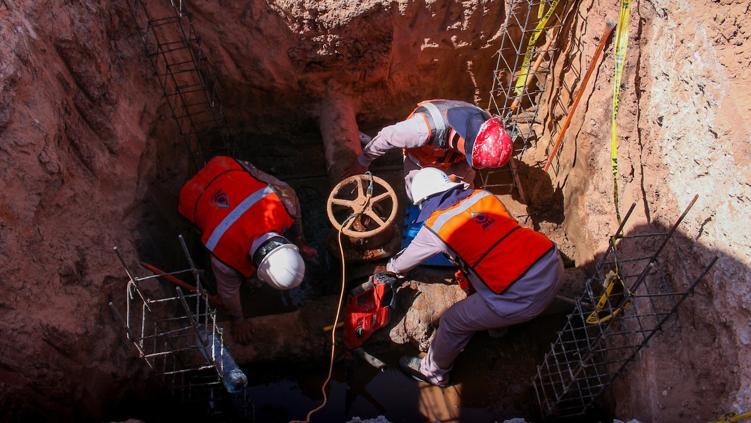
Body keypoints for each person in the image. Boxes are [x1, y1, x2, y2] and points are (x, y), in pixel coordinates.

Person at [380, 167, 563, 386]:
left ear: (425, 201)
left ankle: (433, 372)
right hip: (552, 263)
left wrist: (389, 269)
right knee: (484, 268)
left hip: (522, 295)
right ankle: (498, 326)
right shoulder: (482, 196)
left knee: (452, 321)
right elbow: (498, 233)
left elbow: (403, 264)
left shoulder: (437, 225)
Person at [178, 156, 316, 343]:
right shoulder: (225, 255)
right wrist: (238, 320)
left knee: (268, 183)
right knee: (199, 223)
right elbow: (228, 293)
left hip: (224, 165)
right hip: (192, 195)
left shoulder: (284, 203)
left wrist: (300, 239)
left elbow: (295, 207)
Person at [349, 99, 513, 199]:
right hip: (421, 161)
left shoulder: (485, 124)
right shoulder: (420, 130)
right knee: (416, 195)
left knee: (465, 189)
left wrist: (456, 179)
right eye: (471, 155)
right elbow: (386, 136)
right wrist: (363, 162)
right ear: (466, 140)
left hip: (451, 160)